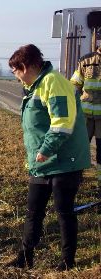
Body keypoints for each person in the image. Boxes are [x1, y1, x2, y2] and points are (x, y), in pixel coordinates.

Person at [8, 44, 90, 269]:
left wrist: (45, 150)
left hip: (64, 161)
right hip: (43, 162)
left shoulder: (53, 82)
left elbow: (62, 123)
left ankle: (67, 260)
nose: (16, 78)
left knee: (64, 211)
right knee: (33, 210)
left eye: (15, 72)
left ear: (24, 67)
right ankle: (25, 256)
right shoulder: (37, 85)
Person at [70, 44, 101, 186]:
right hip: (85, 115)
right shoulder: (86, 60)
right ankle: (76, 177)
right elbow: (74, 85)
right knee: (80, 147)